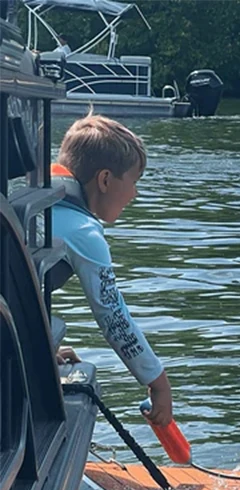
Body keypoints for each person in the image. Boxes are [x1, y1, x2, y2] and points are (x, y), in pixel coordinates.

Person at [51, 115, 174, 427]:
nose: (134, 194)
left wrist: (41, 348)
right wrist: (158, 383)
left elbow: (21, 285)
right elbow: (113, 317)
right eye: (133, 182)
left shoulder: (38, 201)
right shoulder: (83, 232)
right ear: (105, 180)